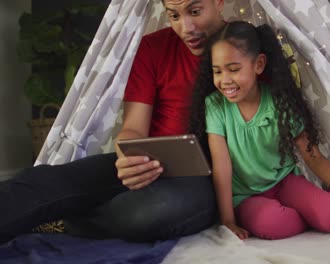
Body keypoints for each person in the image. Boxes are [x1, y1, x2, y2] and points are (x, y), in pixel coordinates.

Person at [0, 0, 226, 244]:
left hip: (207, 179)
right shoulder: (154, 47)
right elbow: (133, 128)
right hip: (149, 159)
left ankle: (63, 222)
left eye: (194, 12)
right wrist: (127, 156)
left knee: (149, 212)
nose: (186, 27)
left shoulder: (245, 49)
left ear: (219, 2)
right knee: (46, 181)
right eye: (173, 15)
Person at [189, 21, 330, 240]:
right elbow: (222, 167)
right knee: (273, 224)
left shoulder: (280, 102)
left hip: (284, 182)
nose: (224, 80)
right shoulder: (215, 106)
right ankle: (309, 216)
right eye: (217, 71)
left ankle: (328, 208)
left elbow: (311, 155)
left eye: (234, 69)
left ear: (258, 65)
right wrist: (228, 221)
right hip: (246, 196)